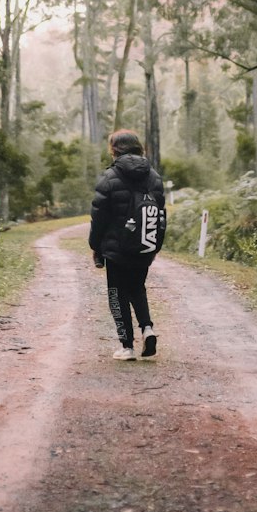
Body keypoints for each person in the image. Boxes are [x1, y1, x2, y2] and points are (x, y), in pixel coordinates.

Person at [89, 129, 165, 361]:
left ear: (114, 149)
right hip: (144, 243)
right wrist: (155, 246)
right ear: (138, 147)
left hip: (116, 249)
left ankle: (127, 347)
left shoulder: (109, 177)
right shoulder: (153, 177)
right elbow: (161, 214)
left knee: (116, 294)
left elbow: (98, 217)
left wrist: (96, 246)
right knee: (137, 288)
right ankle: (147, 328)